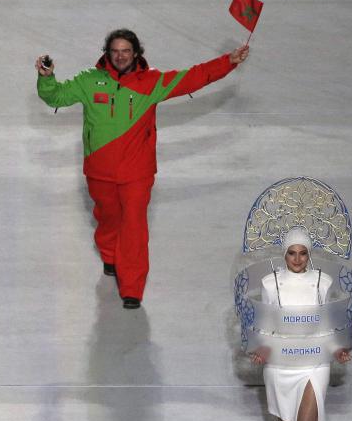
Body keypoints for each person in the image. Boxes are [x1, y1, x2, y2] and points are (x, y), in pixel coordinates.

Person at [36, 30, 250, 308]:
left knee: (134, 226)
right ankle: (110, 255)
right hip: (99, 170)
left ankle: (132, 288)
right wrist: (46, 77)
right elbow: (56, 97)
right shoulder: (88, 81)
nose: (120, 56)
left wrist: (228, 61)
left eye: (126, 50)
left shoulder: (151, 82)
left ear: (136, 53)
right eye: (115, 51)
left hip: (137, 173)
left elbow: (193, 77)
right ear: (107, 53)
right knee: (108, 217)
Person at [249, 227, 352, 421]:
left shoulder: (323, 281)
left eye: (303, 253)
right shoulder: (270, 284)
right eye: (292, 253)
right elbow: (265, 324)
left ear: (309, 254)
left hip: (313, 362)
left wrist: (337, 349)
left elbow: (327, 324)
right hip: (281, 362)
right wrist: (261, 348)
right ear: (284, 254)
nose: (297, 259)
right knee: (284, 420)